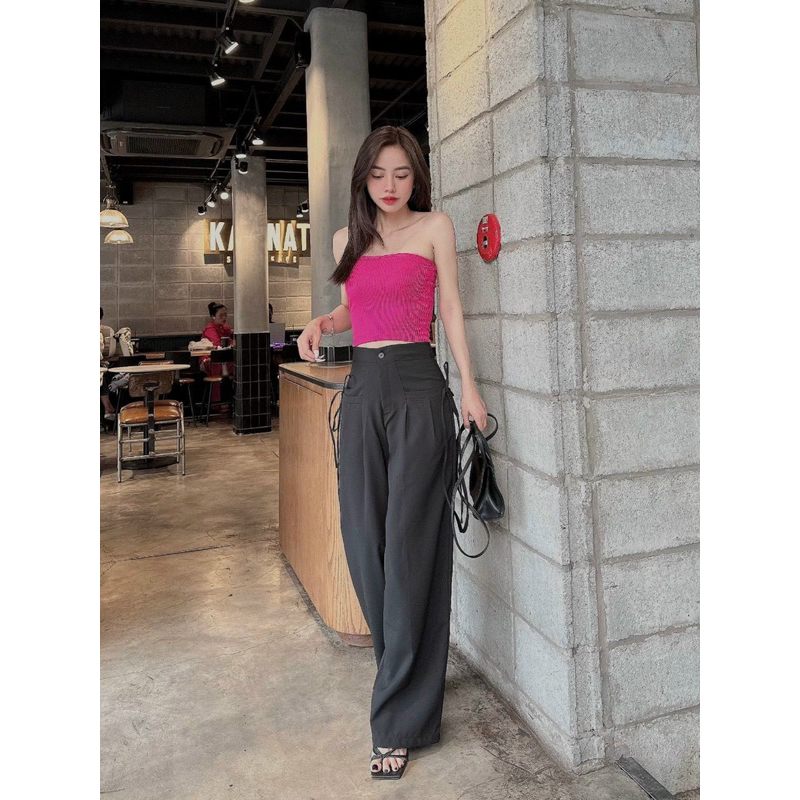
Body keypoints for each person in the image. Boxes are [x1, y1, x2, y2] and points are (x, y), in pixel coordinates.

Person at [297, 125, 487, 780]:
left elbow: (450, 310)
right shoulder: (345, 240)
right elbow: (355, 310)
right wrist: (323, 322)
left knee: (409, 548)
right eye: (378, 174)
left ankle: (396, 722)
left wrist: (470, 388)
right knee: (364, 542)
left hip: (417, 387)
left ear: (416, 178)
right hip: (362, 393)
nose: (390, 185)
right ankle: (405, 677)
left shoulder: (435, 227)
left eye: (402, 173)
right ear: (363, 178)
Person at [199, 302, 235, 406]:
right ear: (213, 316)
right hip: (210, 359)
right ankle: (218, 404)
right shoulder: (210, 329)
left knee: (237, 364)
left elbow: (229, 343)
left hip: (222, 358)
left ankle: (230, 400)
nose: (224, 318)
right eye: (221, 315)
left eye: (225, 315)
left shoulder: (225, 328)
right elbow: (218, 344)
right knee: (223, 366)